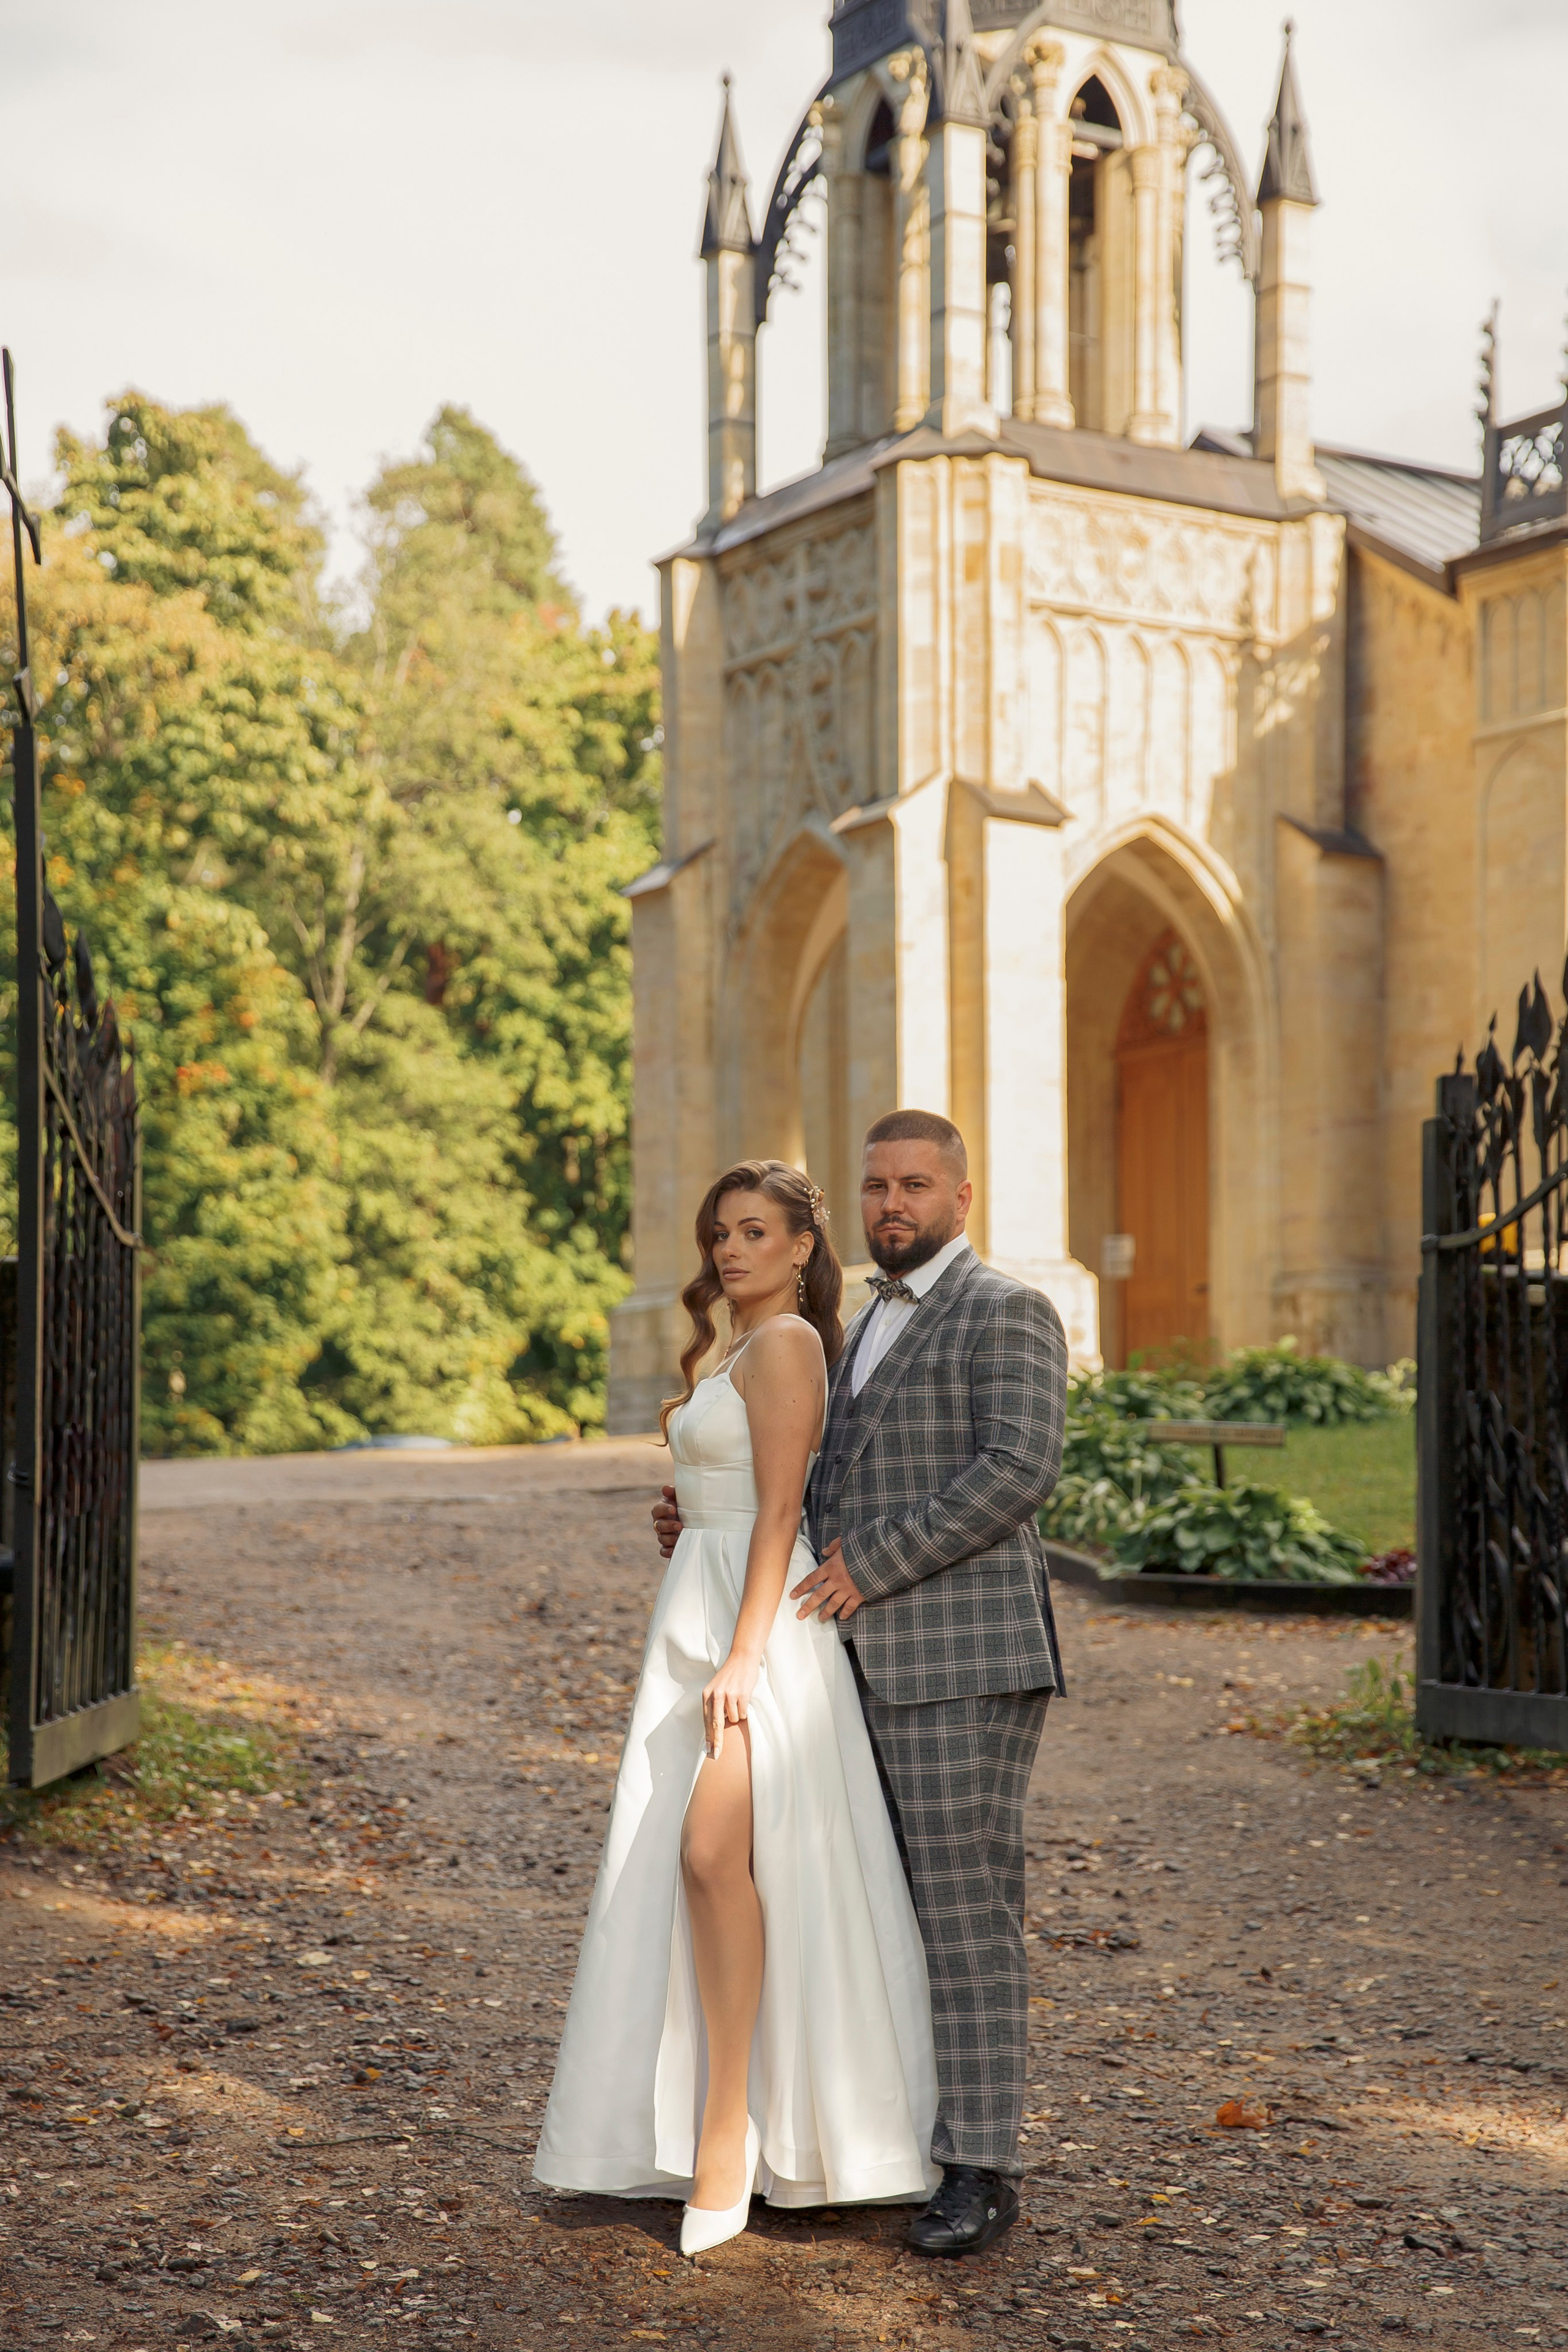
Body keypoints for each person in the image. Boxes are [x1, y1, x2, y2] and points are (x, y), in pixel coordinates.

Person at [652, 1110, 1067, 2258]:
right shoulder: (846, 1332)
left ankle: (982, 2167)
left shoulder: (1008, 1311)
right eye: (879, 1186)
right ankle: (869, 2138)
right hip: (835, 1664)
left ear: (962, 1199)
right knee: (860, 1902)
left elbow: (1020, 1469)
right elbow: (803, 1480)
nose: (895, 1204)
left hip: (958, 1657)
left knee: (964, 1913)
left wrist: (865, 1569)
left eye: (917, 1186)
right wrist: (708, 1525)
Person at [533, 1159, 938, 2256]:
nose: (730, 1250)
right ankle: (722, 2123)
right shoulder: (734, 1349)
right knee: (701, 1863)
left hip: (756, 1628)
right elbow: (728, 1503)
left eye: (755, 1232)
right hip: (701, 1603)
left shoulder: (793, 1344)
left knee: (712, 1856)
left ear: (803, 1246)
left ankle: (729, 2131)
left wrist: (745, 1657)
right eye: (720, 1232)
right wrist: (686, 1519)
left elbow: (776, 1518)